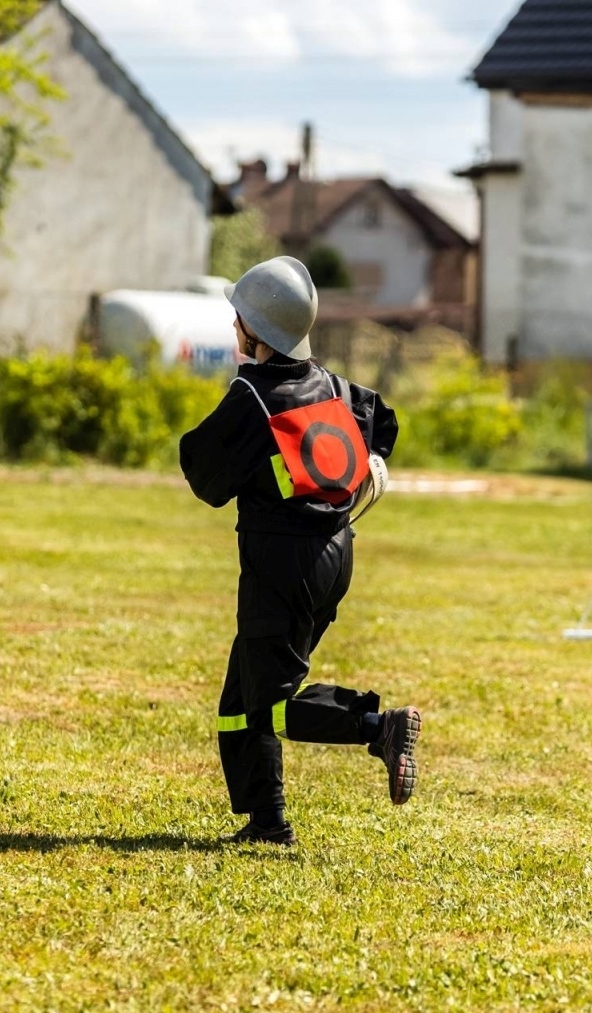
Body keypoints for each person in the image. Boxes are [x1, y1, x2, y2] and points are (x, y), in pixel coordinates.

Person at [179, 255, 418, 846]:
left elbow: (205, 474)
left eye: (240, 318)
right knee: (243, 694)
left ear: (256, 331)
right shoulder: (334, 386)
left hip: (282, 566)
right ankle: (266, 821)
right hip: (335, 555)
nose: (234, 326)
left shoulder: (253, 395)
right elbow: (383, 424)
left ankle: (378, 726)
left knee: (272, 704)